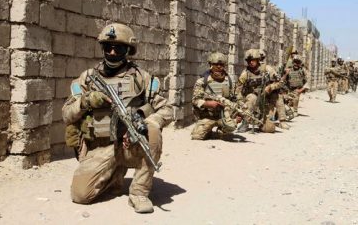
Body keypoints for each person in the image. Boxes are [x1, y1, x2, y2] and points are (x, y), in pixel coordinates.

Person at [62, 23, 173, 213]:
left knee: (152, 130)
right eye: (108, 47)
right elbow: (66, 114)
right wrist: (86, 101)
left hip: (130, 144)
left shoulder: (141, 78)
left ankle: (139, 192)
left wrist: (143, 117)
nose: (112, 52)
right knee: (80, 196)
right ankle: (113, 174)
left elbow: (168, 110)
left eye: (118, 48)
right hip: (101, 146)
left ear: (128, 50)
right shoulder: (88, 78)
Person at [235, 49, 290, 133]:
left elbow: (280, 82)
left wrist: (270, 87)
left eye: (253, 60)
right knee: (251, 97)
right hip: (254, 101)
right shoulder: (245, 73)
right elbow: (238, 88)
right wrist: (240, 102)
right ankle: (245, 122)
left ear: (258, 60)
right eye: (249, 60)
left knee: (270, 128)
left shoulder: (267, 69)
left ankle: (282, 121)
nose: (251, 62)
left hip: (266, 101)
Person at [191, 52, 241, 140]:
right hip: (208, 115)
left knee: (231, 127)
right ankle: (208, 129)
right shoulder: (202, 81)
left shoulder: (230, 81)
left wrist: (238, 115)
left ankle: (222, 130)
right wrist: (208, 104)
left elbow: (236, 98)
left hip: (224, 115)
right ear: (210, 65)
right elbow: (195, 100)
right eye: (216, 64)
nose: (219, 67)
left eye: (221, 64)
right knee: (197, 136)